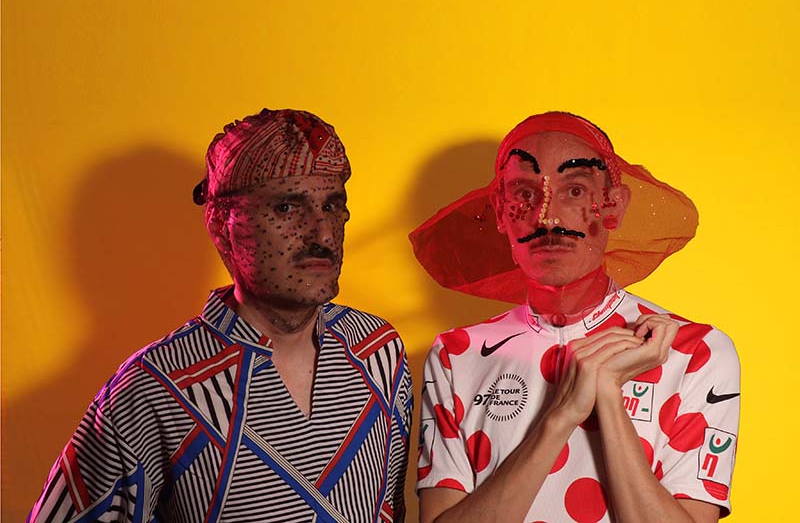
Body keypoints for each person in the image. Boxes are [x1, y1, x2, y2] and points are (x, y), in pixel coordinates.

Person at [29, 108, 413, 523]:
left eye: (332, 205)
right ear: (221, 225)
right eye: (287, 207)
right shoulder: (154, 387)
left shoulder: (378, 350)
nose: (322, 233)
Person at [411, 112, 739, 523]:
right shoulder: (456, 356)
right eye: (525, 194)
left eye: (575, 190)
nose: (548, 218)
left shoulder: (694, 352)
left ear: (614, 206)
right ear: (500, 211)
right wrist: (562, 415)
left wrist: (608, 396)